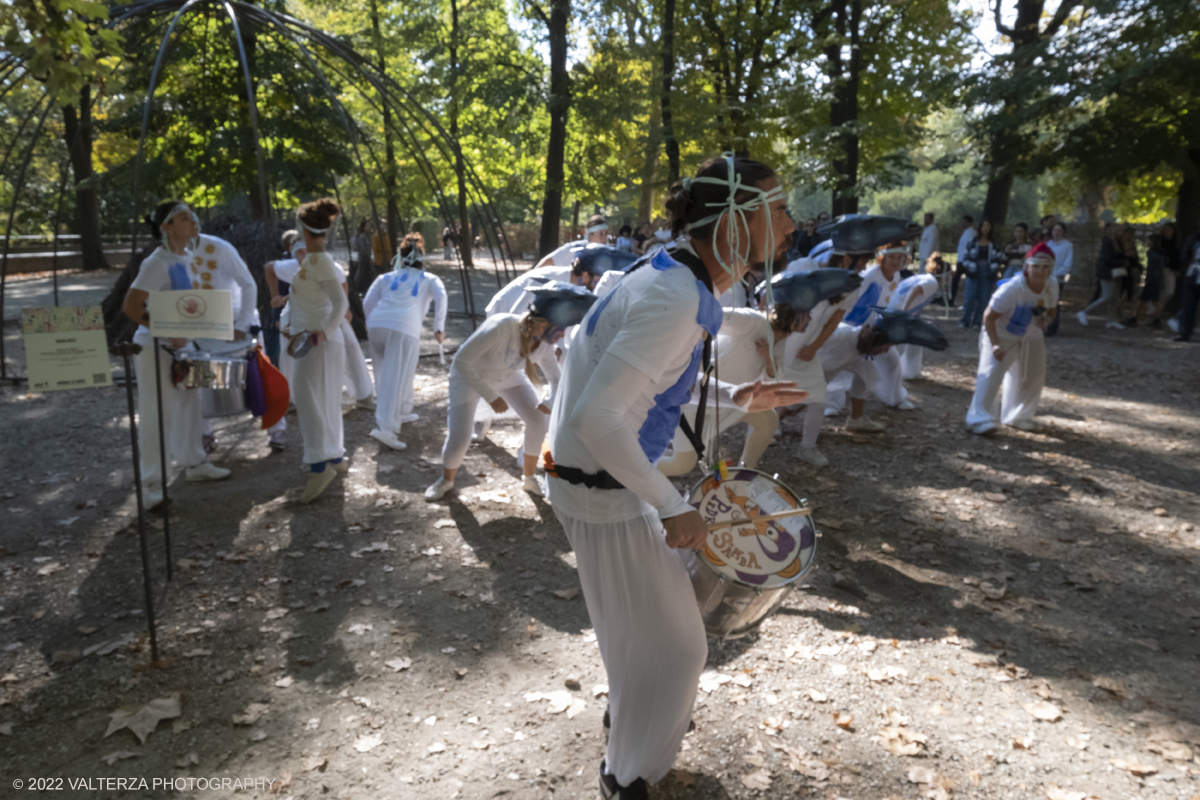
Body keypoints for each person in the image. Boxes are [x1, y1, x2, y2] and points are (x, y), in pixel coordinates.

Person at [544, 156, 807, 799]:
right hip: (606, 490)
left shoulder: (670, 274)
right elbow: (600, 418)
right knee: (680, 650)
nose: (792, 224)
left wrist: (740, 398)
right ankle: (625, 775)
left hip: (594, 480)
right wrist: (670, 505)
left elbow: (639, 404)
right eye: (777, 210)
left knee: (635, 631)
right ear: (735, 223)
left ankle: (627, 731)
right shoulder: (673, 297)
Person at [425, 283, 595, 501]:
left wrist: (551, 401)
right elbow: (462, 361)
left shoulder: (544, 346)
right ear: (542, 324)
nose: (562, 334)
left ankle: (529, 478)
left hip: (508, 375)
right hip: (469, 377)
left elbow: (556, 380)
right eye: (560, 328)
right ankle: (446, 481)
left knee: (537, 420)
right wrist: (491, 396)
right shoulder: (502, 326)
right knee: (460, 437)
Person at [120, 201, 232, 509]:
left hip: (183, 347)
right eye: (184, 218)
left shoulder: (189, 258)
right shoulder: (156, 263)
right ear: (166, 227)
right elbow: (131, 306)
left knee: (189, 405)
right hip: (155, 347)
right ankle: (153, 483)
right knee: (158, 413)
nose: (193, 221)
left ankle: (194, 463)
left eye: (192, 216)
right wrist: (164, 329)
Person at [287, 198, 352, 502]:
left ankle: (319, 467)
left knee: (308, 400)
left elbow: (341, 303)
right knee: (322, 399)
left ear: (303, 228)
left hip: (319, 343)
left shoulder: (321, 260)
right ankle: (335, 459)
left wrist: (323, 333)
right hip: (311, 339)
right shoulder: (312, 260)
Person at [362, 233, 448, 451]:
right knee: (397, 375)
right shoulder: (429, 279)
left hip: (377, 324)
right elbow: (441, 296)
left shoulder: (386, 278)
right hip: (403, 329)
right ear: (422, 257)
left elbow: (367, 302)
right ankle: (386, 428)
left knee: (385, 373)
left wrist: (370, 322)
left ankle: (401, 411)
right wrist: (439, 328)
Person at [966, 241, 1058, 435]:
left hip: (1031, 335)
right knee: (991, 374)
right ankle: (979, 419)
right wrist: (995, 345)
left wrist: (1046, 320)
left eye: (1045, 267)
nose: (1040, 271)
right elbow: (988, 317)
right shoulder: (1012, 289)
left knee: (1032, 374)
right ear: (1027, 267)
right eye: (1035, 266)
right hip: (1000, 333)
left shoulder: (1052, 285)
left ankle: (1019, 416)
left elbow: (1052, 309)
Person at [885, 257, 942, 380]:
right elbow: (915, 289)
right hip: (898, 311)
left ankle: (911, 372)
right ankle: (889, 377)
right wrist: (904, 311)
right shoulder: (932, 282)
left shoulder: (926, 278)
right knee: (897, 348)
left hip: (899, 310)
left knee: (915, 341)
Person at [1078, 225, 1129, 329]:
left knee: (1114, 298)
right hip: (1106, 273)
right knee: (1106, 297)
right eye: (1121, 231)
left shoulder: (1119, 242)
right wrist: (1122, 262)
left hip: (1117, 273)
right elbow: (1107, 259)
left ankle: (1111, 320)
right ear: (1115, 231)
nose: (1123, 234)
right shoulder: (1107, 242)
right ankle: (1084, 312)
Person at [960, 218, 1002, 329]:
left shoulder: (994, 243)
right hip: (973, 271)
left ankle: (978, 321)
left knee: (984, 298)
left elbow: (999, 258)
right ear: (980, 227)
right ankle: (965, 320)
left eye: (988, 226)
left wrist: (995, 269)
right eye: (984, 225)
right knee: (970, 297)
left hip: (988, 272)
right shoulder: (972, 242)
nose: (985, 228)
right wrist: (968, 269)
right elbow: (966, 257)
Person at [536, 214, 609, 267]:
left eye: (606, 234)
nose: (605, 238)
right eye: (601, 234)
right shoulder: (574, 249)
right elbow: (546, 262)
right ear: (590, 235)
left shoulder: (609, 254)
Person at [1044, 222, 1073, 337]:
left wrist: (1056, 274)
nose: (1057, 232)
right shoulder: (1048, 244)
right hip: (1045, 278)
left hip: (1057, 279)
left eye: (1059, 230)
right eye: (1055, 230)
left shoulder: (1067, 245)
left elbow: (1067, 264)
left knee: (1054, 303)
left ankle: (1052, 327)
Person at [950, 214, 976, 306]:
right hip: (961, 259)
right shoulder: (966, 232)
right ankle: (952, 299)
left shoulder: (971, 233)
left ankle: (956, 300)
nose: (963, 224)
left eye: (964, 222)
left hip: (965, 260)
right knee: (956, 280)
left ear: (969, 222)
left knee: (959, 280)